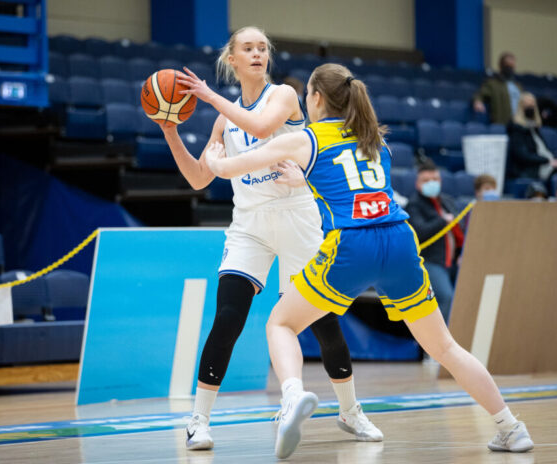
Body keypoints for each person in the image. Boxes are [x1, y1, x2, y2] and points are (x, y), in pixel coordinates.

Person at [204, 63, 534, 459]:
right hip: (399, 241)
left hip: (353, 245)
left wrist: (215, 155)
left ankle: (292, 397)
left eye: (307, 95)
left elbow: (228, 169)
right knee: (445, 346)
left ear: (316, 98)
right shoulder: (374, 137)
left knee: (281, 323)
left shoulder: (305, 138)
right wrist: (304, 180)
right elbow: (351, 180)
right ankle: (511, 428)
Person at [156, 26, 381, 450]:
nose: (258, 53)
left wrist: (208, 96)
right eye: (248, 48)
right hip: (250, 225)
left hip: (297, 218)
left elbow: (260, 128)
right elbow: (199, 178)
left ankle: (350, 412)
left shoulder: (283, 96)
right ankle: (198, 421)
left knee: (324, 321)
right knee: (228, 316)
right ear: (233, 59)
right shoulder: (224, 120)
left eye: (263, 48)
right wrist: (170, 130)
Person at [405, 159, 464, 323]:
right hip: (429, 261)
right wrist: (442, 221)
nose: (432, 183)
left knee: (460, 300)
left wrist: (462, 253)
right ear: (417, 184)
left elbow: (459, 229)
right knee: (445, 297)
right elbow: (419, 233)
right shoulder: (414, 205)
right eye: (426, 180)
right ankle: (437, 339)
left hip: (452, 262)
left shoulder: (447, 201)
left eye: (435, 179)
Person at [506, 92, 557, 180]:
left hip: (543, 165)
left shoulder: (534, 127)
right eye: (527, 105)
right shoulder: (516, 128)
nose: (530, 108)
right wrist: (547, 160)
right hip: (528, 169)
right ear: (520, 107)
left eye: (532, 105)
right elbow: (523, 155)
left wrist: (552, 160)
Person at [472, 52, 523, 125]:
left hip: (519, 124)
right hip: (502, 124)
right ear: (501, 66)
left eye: (511, 66)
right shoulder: (493, 84)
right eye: (507, 65)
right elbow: (480, 94)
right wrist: (477, 101)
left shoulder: (518, 86)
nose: (509, 68)